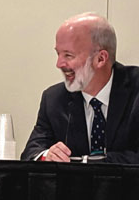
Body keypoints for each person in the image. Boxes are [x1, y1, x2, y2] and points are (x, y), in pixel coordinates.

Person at [21, 12, 139, 163]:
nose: (59, 64)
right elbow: (31, 154)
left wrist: (85, 162)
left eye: (68, 55)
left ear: (100, 59)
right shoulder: (53, 99)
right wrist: (47, 155)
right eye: (58, 54)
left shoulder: (135, 90)